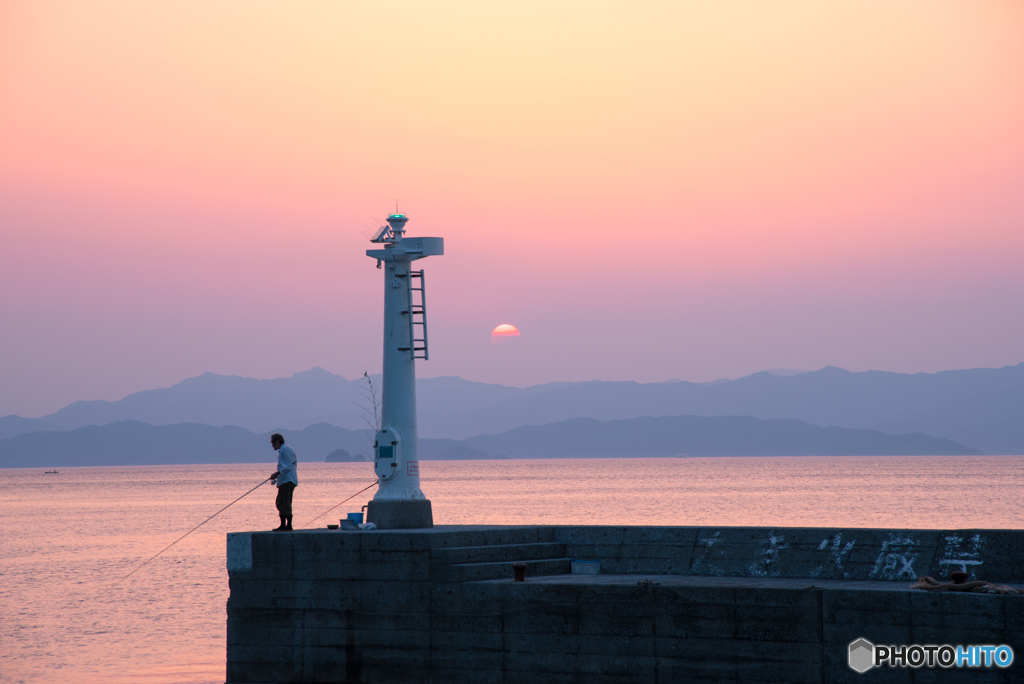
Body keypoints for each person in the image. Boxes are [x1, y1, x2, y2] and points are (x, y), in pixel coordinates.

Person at [269, 433, 298, 531]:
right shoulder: (284, 450)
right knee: (280, 503)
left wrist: (276, 474)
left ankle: (288, 526)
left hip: (288, 480)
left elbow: (287, 467)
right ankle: (283, 525)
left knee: (285, 503)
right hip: (284, 480)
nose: (272, 445)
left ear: (277, 441)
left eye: (272, 443)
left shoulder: (285, 450)